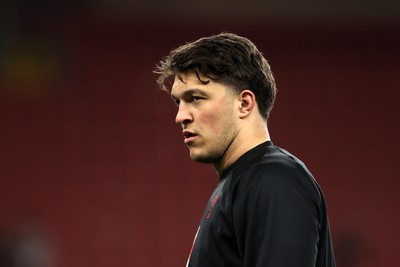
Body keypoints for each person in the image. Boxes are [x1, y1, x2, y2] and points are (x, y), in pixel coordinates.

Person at [155, 32, 335, 267]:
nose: (181, 116)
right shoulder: (239, 182)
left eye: (196, 98)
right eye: (178, 102)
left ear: (244, 103)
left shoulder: (274, 179)